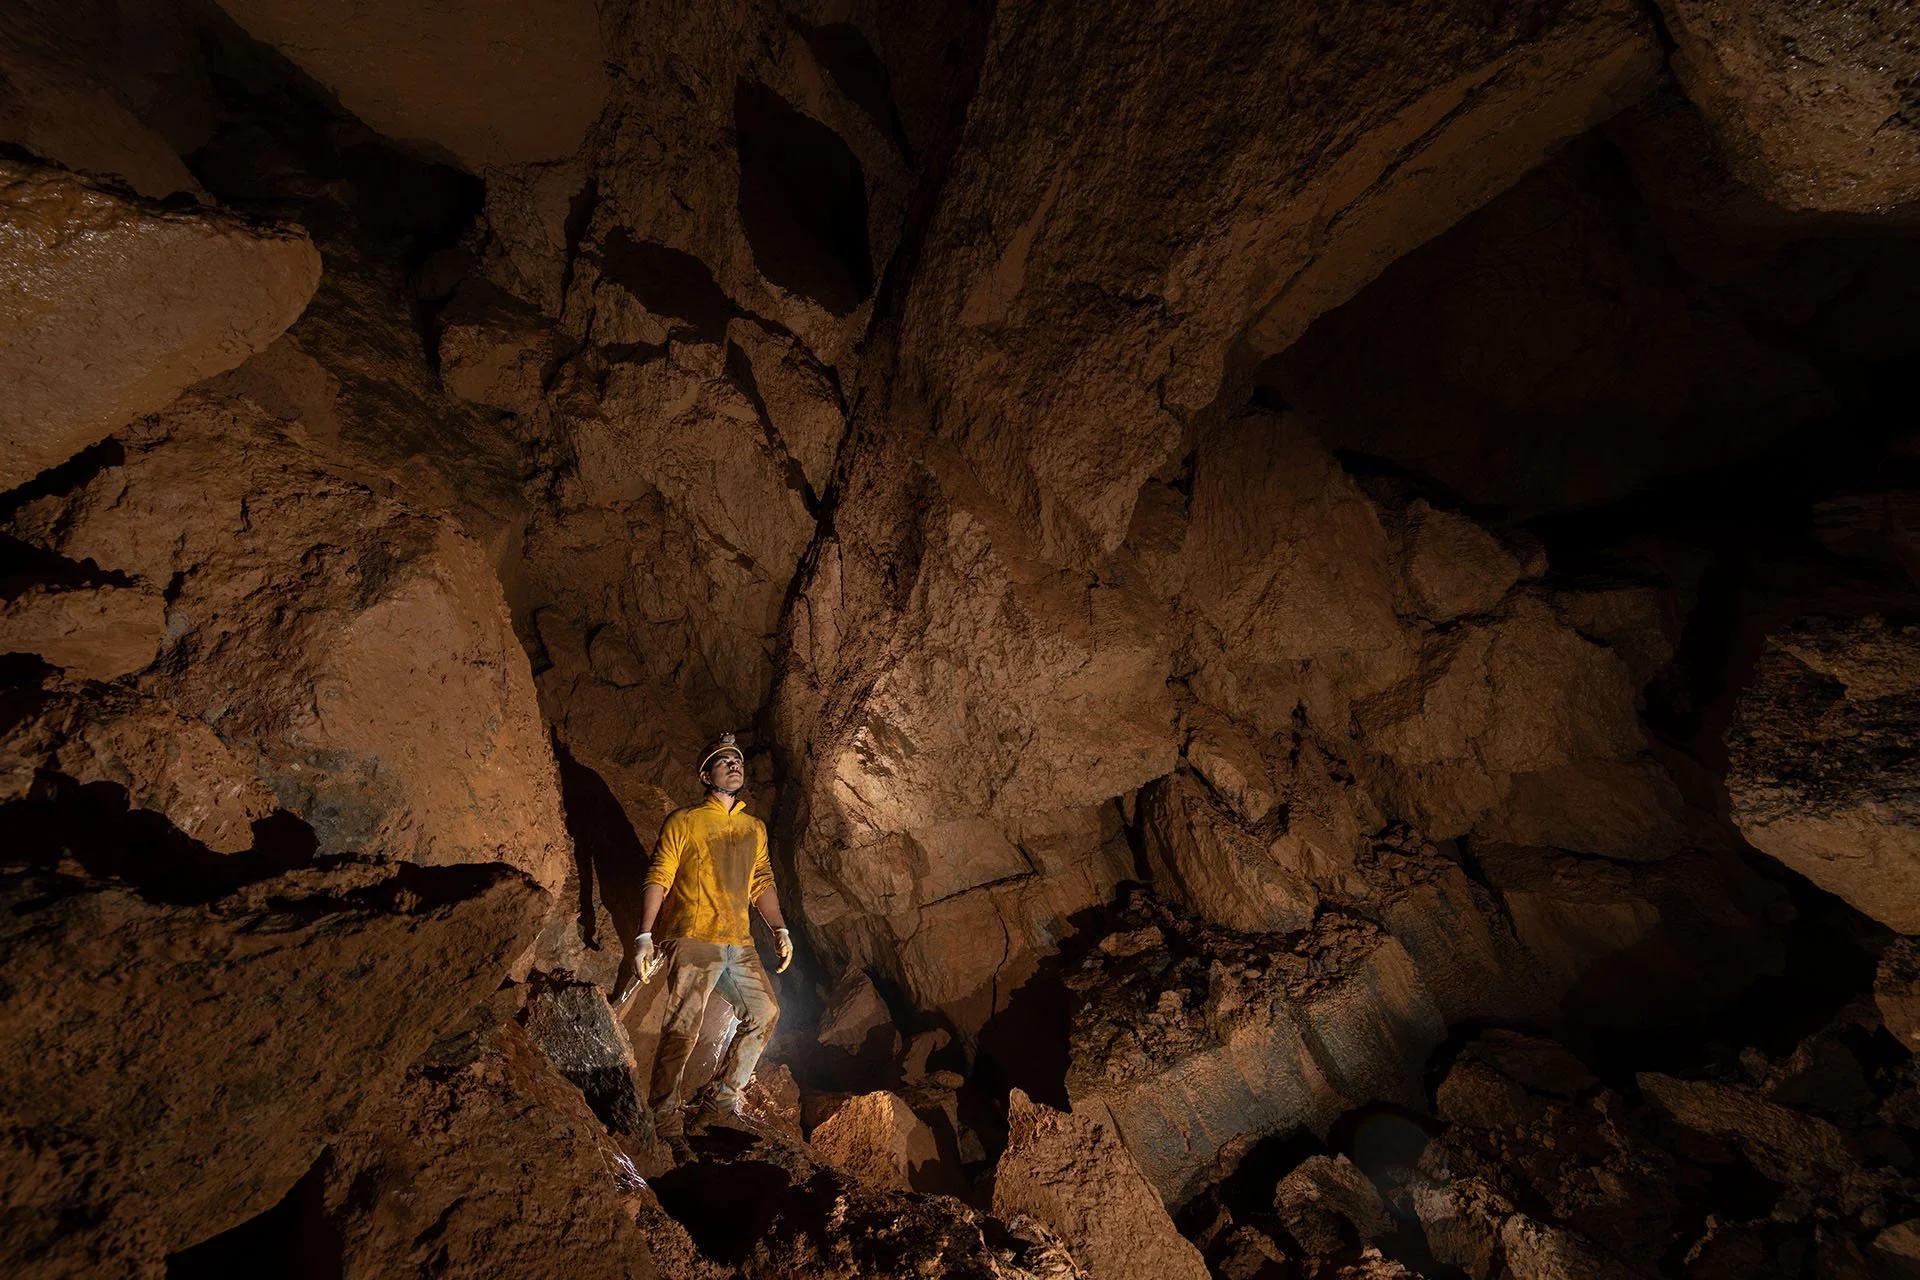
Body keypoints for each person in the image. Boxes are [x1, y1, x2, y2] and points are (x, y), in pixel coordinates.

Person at [629, 732, 792, 1155]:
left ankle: (719, 1105)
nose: (734, 765)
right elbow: (659, 875)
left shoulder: (753, 828)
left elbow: (762, 883)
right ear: (706, 773)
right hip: (693, 935)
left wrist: (780, 928)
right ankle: (664, 1122)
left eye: (737, 760)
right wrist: (645, 935)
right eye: (724, 761)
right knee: (684, 1026)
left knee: (765, 1012)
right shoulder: (684, 821)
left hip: (738, 941)